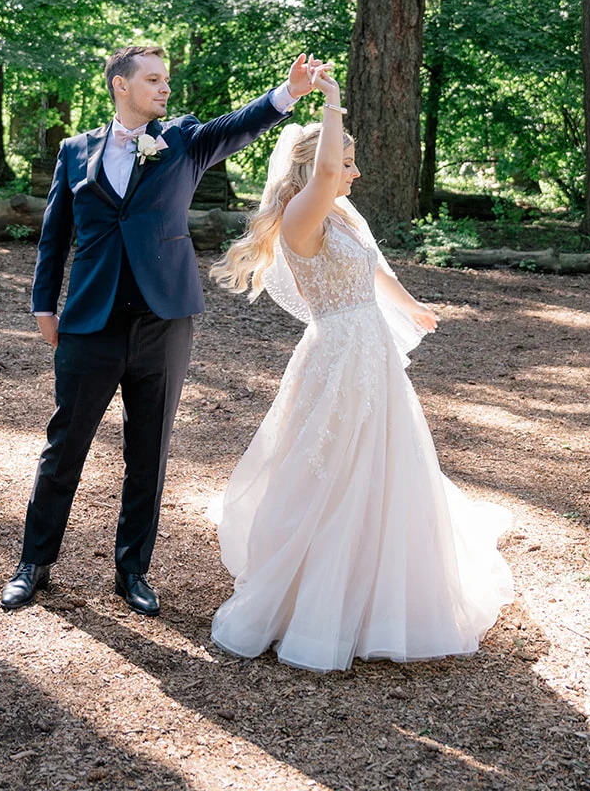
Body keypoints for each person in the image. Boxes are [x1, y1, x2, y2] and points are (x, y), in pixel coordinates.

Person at [208, 60, 513, 671]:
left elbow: (370, 268)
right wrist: (331, 99)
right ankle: (315, 602)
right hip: (338, 355)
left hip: (370, 351)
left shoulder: (341, 216)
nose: (352, 171)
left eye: (349, 162)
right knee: (334, 470)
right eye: (345, 162)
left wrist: (410, 304)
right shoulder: (303, 215)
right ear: (314, 167)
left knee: (384, 464)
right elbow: (326, 172)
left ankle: (380, 593)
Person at [1, 44, 314, 615]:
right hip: (90, 322)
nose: (164, 87)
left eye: (166, 79)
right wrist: (44, 305)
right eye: (152, 79)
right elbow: (54, 235)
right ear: (120, 85)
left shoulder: (183, 140)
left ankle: (132, 571)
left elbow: (238, 125)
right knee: (64, 446)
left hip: (164, 322)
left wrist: (288, 93)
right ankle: (33, 564)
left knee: (149, 453)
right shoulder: (75, 152)